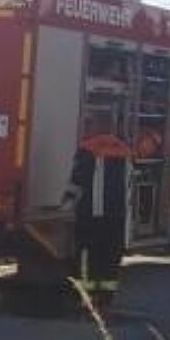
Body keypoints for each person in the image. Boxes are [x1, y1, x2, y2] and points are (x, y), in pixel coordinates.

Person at [61, 130, 133, 309]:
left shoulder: (88, 152)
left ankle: (87, 297)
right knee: (110, 258)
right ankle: (105, 298)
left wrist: (66, 207)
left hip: (93, 216)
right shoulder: (125, 153)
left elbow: (76, 183)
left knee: (89, 256)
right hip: (119, 217)